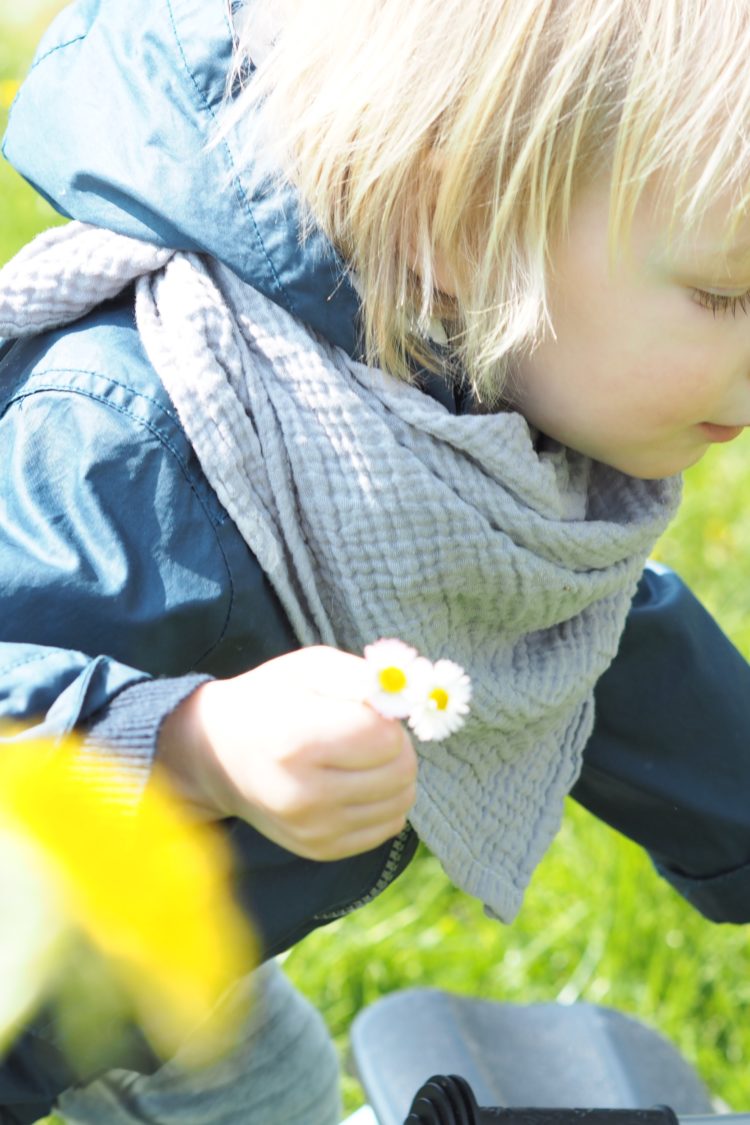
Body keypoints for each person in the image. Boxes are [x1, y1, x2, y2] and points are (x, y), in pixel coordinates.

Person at [3, 0, 750, 1121]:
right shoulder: (129, 442)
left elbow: (583, 636)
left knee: (271, 1084)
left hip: (152, 932)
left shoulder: (465, 426)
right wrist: (194, 744)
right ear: (452, 231)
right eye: (724, 293)